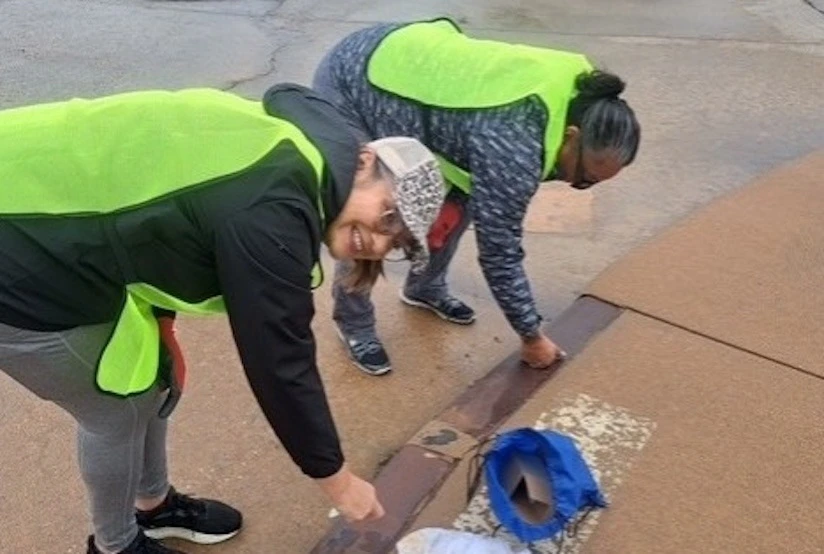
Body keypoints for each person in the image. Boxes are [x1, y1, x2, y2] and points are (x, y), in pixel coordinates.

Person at [0, 83, 446, 553]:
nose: (380, 239)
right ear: (364, 161)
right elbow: (279, 358)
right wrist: (336, 480)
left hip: (45, 209)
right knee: (116, 409)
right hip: (20, 244)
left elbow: (163, 216)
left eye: (397, 241)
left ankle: (154, 506)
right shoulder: (276, 206)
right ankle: (115, 546)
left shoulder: (299, 142)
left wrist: (162, 319)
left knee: (149, 380)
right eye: (389, 214)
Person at [313, 18, 641, 376]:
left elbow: (477, 188)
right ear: (572, 136)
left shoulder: (586, 96)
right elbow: (500, 252)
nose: (575, 183)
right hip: (356, 82)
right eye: (583, 179)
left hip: (424, 91)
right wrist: (531, 336)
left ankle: (424, 287)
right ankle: (355, 322)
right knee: (374, 217)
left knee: (460, 202)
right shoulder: (514, 146)